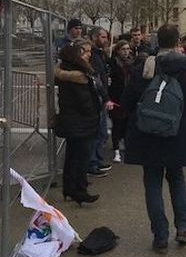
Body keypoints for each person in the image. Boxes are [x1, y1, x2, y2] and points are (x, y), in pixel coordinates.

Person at [122, 24, 186, 254]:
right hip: (178, 135)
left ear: (156, 41)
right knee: (177, 179)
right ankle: (182, 227)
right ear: (178, 41)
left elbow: (128, 102)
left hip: (148, 135)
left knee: (152, 183)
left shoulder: (145, 67)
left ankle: (160, 235)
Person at [54, 40, 101, 205]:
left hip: (72, 121)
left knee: (72, 156)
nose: (89, 55)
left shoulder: (66, 71)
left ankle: (70, 188)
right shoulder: (78, 76)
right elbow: (85, 102)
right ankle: (79, 190)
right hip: (81, 122)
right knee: (81, 157)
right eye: (85, 52)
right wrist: (95, 114)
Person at [88, 27, 113, 177]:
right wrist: (104, 97)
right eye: (103, 37)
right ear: (94, 37)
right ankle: (92, 162)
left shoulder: (99, 54)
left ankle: (96, 159)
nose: (105, 40)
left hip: (102, 95)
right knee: (99, 132)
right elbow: (95, 78)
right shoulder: (92, 55)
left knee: (102, 132)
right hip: (97, 97)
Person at [108, 40, 133, 163]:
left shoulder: (131, 63)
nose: (126, 52)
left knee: (126, 123)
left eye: (128, 49)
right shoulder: (112, 63)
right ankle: (116, 149)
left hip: (128, 97)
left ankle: (124, 142)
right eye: (123, 49)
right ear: (117, 50)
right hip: (116, 97)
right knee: (117, 124)